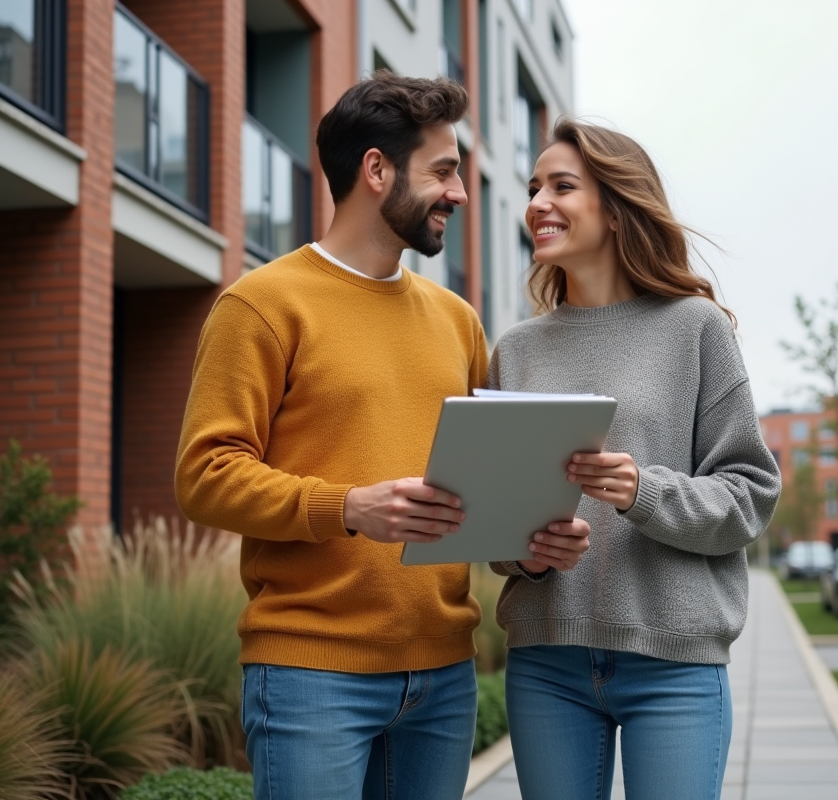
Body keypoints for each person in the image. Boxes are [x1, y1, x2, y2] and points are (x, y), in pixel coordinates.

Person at [174, 73, 591, 800]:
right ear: (376, 170)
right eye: (443, 171)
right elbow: (204, 475)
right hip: (310, 674)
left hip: (443, 676)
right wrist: (348, 507)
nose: (460, 194)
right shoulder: (263, 305)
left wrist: (526, 546)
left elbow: (479, 495)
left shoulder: (457, 319)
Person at [488, 118, 782, 800]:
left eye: (562, 186)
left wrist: (639, 490)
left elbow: (749, 495)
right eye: (533, 188)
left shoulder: (696, 328)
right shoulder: (517, 350)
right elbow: (497, 526)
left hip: (674, 661)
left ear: (617, 210)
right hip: (547, 660)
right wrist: (527, 552)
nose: (537, 203)